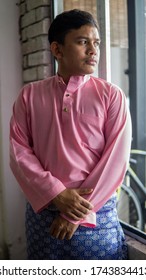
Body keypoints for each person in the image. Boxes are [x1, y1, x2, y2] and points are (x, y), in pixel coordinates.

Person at [10, 9, 132, 260]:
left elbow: (115, 161)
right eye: (82, 41)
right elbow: (19, 152)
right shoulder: (29, 96)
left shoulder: (111, 96)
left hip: (95, 217)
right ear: (57, 50)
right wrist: (56, 192)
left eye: (96, 42)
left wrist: (73, 214)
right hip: (43, 216)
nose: (93, 50)